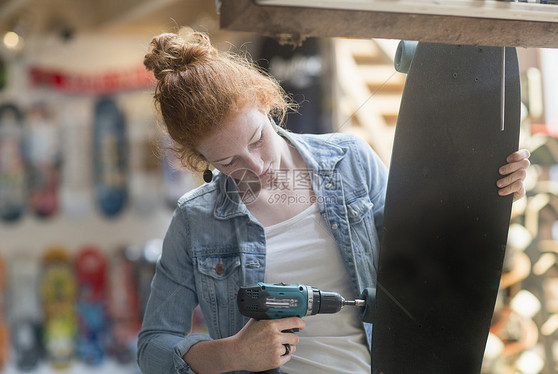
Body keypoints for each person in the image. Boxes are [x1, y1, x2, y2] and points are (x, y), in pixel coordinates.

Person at [137, 31, 530, 374]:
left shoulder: (351, 161)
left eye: (256, 139)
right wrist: (232, 354)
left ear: (263, 99)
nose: (256, 166)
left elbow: (428, 256)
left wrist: (489, 191)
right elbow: (153, 348)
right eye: (228, 162)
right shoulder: (195, 219)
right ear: (200, 160)